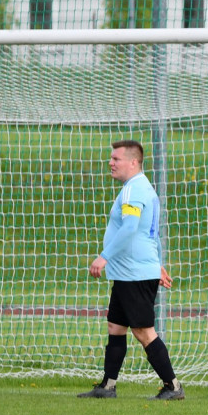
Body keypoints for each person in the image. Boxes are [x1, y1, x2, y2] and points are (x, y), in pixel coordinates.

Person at [78, 140, 184, 400]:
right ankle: (108, 386)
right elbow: (152, 234)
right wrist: (156, 264)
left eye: (116, 159)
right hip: (132, 272)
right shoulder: (141, 188)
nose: (111, 163)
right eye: (111, 158)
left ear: (133, 162)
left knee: (144, 332)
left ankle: (173, 387)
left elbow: (130, 227)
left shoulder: (134, 190)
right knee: (116, 326)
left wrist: (103, 257)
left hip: (133, 273)